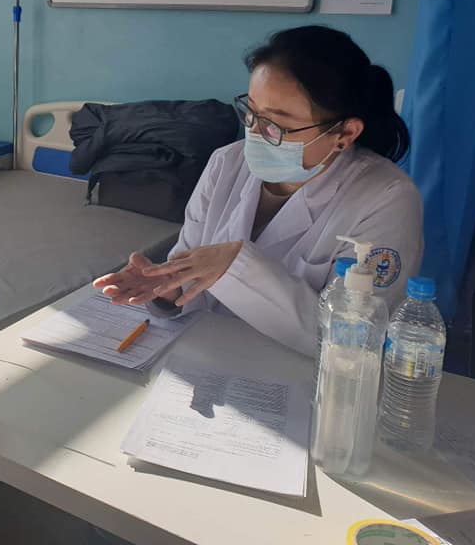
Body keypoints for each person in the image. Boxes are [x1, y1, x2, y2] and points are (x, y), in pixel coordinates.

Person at [94, 26, 423, 357]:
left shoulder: (386, 197)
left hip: (300, 373)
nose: (254, 133)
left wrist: (237, 267)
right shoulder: (226, 162)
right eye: (251, 113)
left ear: (345, 133)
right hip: (208, 354)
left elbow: (352, 340)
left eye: (277, 125)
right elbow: (188, 271)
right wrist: (166, 289)